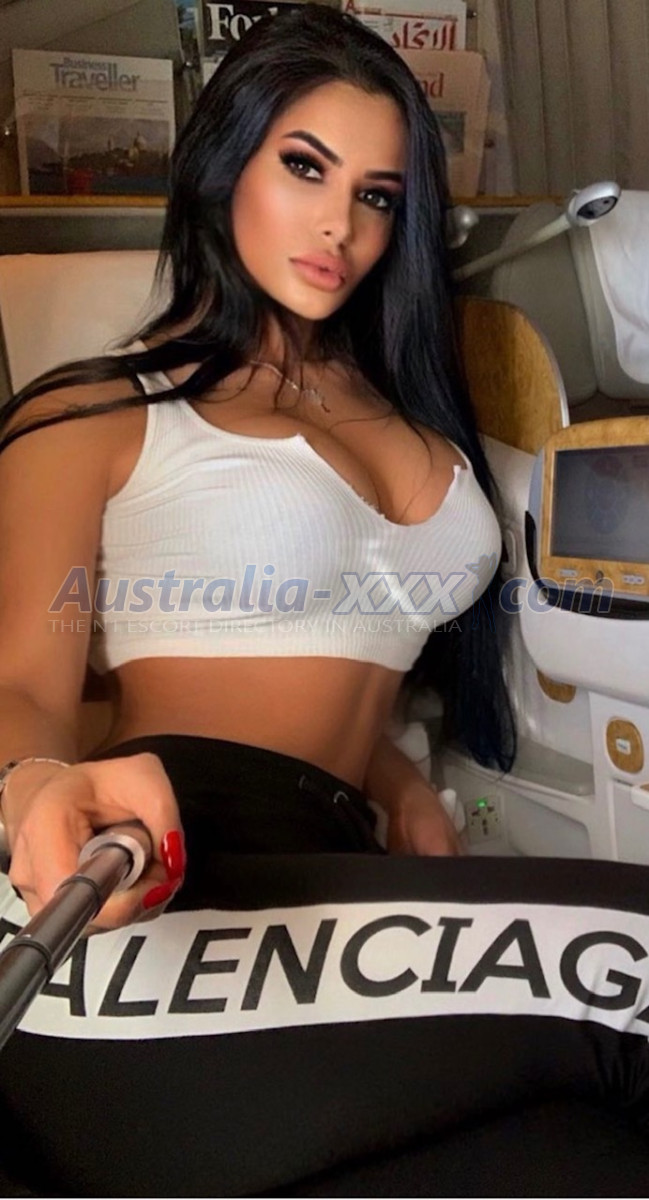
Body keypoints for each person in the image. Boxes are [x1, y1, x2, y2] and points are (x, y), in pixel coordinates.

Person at [1, 7, 649, 1197]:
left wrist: (392, 780)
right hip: (149, 898)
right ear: (223, 163)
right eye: (305, 167)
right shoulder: (95, 412)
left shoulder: (415, 406)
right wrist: (30, 785)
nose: (340, 225)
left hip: (344, 896)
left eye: (377, 195)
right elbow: (25, 685)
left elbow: (341, 633)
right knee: (638, 964)